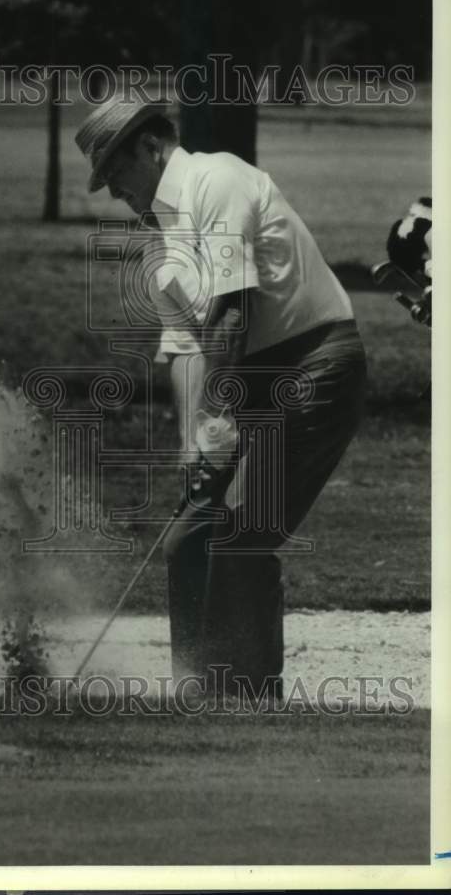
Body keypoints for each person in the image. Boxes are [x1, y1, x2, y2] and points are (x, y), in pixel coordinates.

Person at [75, 96, 367, 702]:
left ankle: (244, 698)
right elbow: (185, 349)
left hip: (314, 368)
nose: (111, 191)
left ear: (150, 147)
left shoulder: (219, 180)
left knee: (241, 527)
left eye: (116, 171)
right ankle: (197, 684)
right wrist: (192, 442)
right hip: (253, 382)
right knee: (190, 534)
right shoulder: (161, 244)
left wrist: (219, 416)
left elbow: (231, 315)